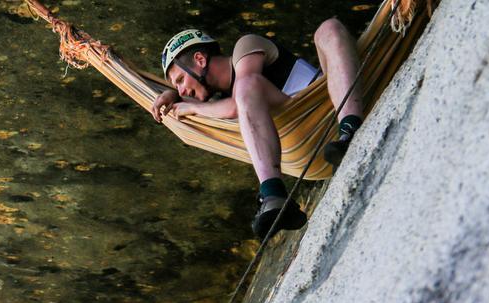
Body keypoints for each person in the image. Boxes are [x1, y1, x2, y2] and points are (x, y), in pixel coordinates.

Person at [149, 23, 364, 238]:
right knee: (243, 91)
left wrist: (193, 108)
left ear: (200, 60)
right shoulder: (221, 102)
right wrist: (172, 96)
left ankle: (349, 127)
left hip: (327, 102)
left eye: (180, 81)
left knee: (328, 29)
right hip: (304, 135)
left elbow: (238, 100)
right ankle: (275, 199)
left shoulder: (246, 46)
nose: (182, 90)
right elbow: (232, 104)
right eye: (177, 87)